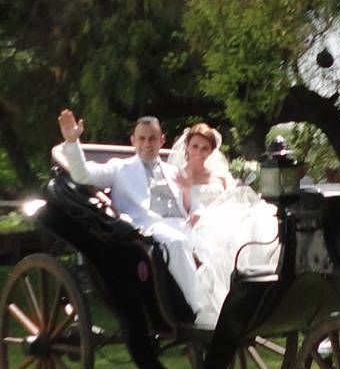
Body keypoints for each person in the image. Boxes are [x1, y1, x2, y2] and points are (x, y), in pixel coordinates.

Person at [55, 110, 219, 328]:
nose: (147, 144)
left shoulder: (174, 171)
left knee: (217, 243)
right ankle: (199, 311)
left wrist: (198, 211)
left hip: (182, 223)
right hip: (147, 226)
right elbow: (82, 175)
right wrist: (72, 140)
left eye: (152, 138)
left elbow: (191, 201)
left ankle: (223, 305)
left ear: (162, 141)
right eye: (141, 138)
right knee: (177, 242)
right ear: (133, 141)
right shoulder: (119, 168)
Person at [170, 123, 280, 317]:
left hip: (225, 218)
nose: (199, 152)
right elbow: (180, 208)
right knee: (216, 246)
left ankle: (255, 288)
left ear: (212, 151)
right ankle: (222, 303)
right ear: (187, 146)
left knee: (260, 218)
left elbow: (235, 196)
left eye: (205, 148)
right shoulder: (178, 175)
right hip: (196, 223)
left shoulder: (220, 176)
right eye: (195, 146)